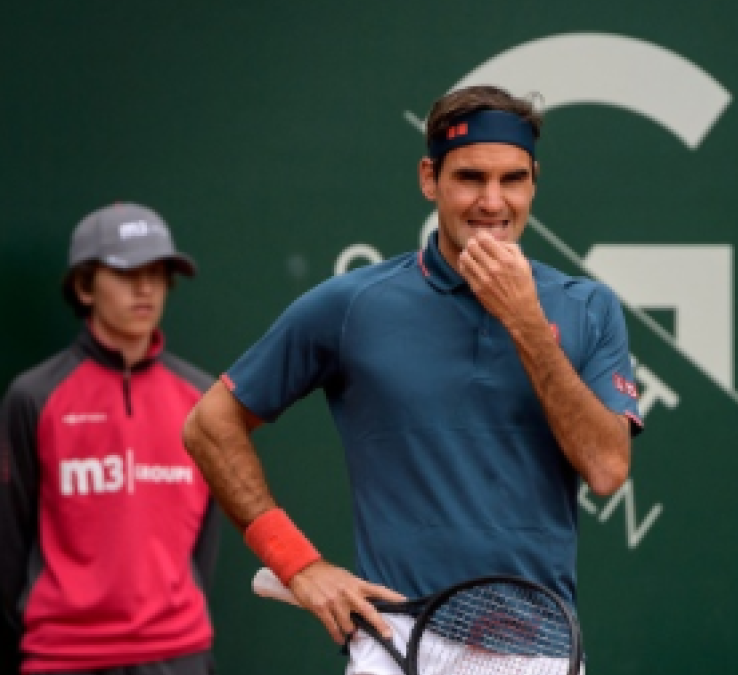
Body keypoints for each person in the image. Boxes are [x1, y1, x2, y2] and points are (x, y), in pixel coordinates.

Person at [182, 84, 642, 674]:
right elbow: (209, 424)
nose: (492, 201)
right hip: (397, 638)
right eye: (470, 178)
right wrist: (297, 563)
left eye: (512, 180)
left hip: (539, 645)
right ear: (430, 179)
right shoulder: (352, 305)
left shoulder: (588, 307)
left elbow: (607, 469)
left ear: (533, 182)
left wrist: (525, 321)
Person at [0, 203, 219, 675]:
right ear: (83, 286)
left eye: (158, 272)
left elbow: (204, 541)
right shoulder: (33, 396)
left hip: (178, 655)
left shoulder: (201, 398)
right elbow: (9, 543)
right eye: (126, 273)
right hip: (63, 657)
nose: (145, 288)